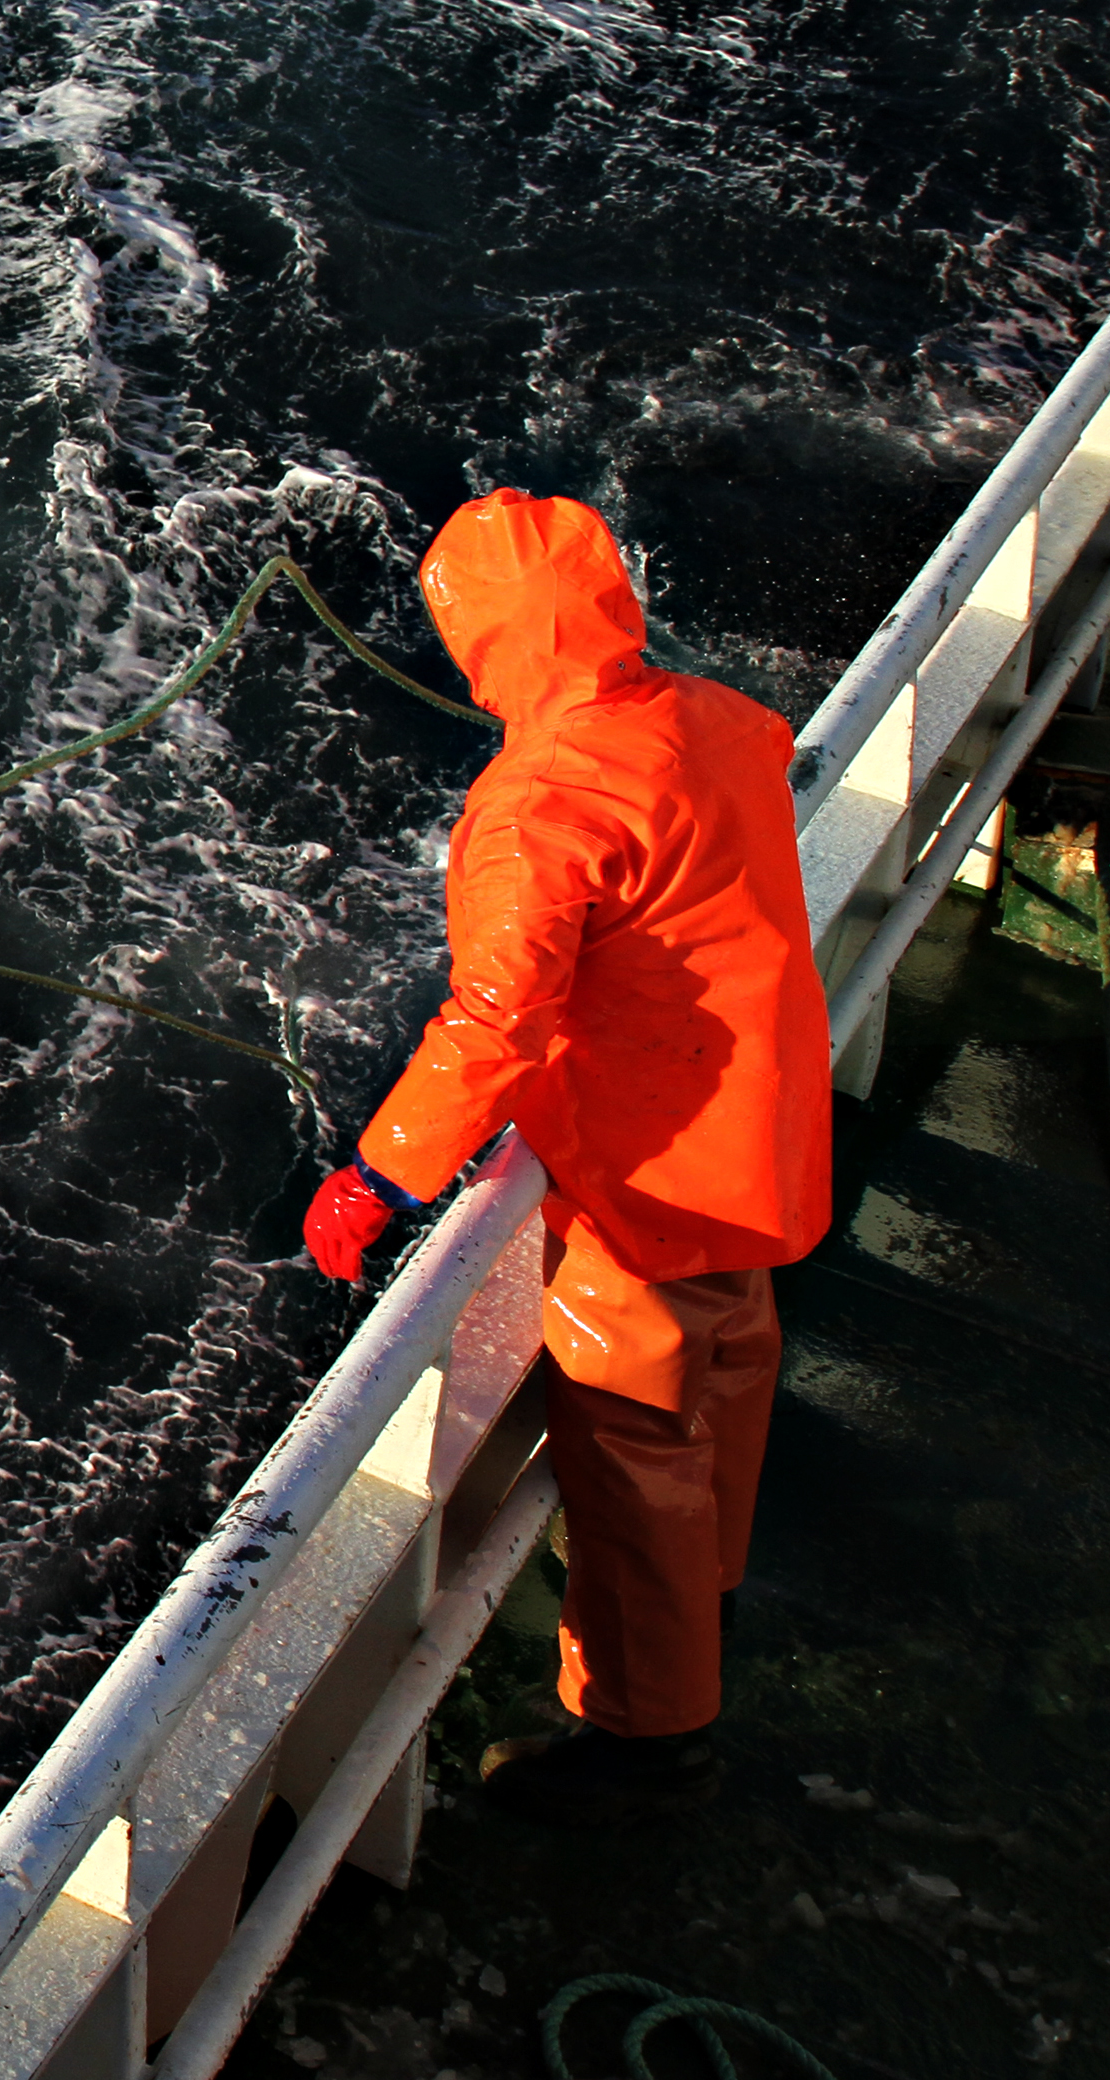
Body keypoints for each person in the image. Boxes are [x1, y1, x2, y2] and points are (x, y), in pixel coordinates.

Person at [299, 488, 831, 1827]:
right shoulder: (713, 722)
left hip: (651, 1177)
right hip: (763, 1143)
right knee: (735, 1373)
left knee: (642, 1441)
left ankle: (653, 1737)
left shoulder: (540, 804)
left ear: (484, 639)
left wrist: (381, 1175)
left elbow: (500, 1019)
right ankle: (707, 1605)